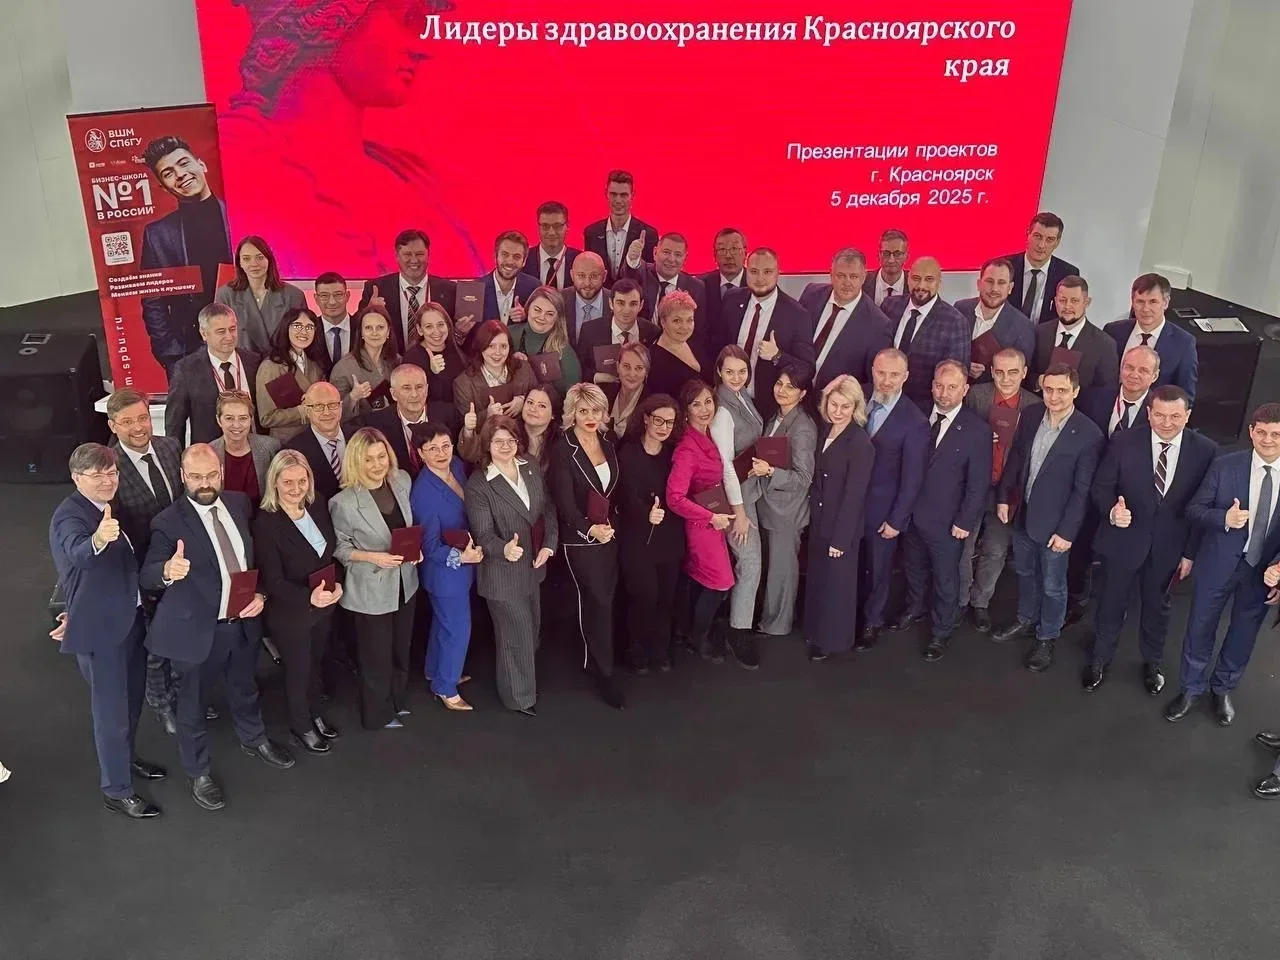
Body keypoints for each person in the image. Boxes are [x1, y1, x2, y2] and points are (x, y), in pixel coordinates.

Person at [217, 7, 483, 280]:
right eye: (408, 20)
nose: (422, 50)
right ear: (331, 19)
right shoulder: (238, 160)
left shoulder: (413, 178)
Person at [141, 444, 295, 813]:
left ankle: (254, 738)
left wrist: (260, 593)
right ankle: (198, 772)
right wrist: (167, 571)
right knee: (192, 706)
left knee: (245, 687)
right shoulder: (167, 522)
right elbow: (147, 574)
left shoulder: (239, 504)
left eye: (211, 475)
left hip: (242, 621)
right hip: (196, 631)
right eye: (196, 477)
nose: (204, 483)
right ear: (183, 476)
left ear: (221, 472)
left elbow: (254, 559)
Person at [50, 443, 166, 818]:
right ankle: (116, 790)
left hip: (129, 621)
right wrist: (99, 539)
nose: (107, 480)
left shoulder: (108, 507)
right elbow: (78, 553)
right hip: (102, 633)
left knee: (131, 702)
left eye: (112, 473)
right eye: (97, 475)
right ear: (76, 478)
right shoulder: (70, 516)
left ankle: (125, 759)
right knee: (111, 714)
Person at [1085, 386, 1217, 694]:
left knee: (1158, 609)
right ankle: (1099, 660)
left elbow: (1203, 506)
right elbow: (1101, 487)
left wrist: (1190, 553)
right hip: (1123, 541)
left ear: (1187, 415)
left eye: (1175, 416)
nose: (1166, 423)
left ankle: (1152, 663)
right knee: (1110, 604)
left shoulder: (1205, 450)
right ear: (1149, 413)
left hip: (1170, 548)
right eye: (1159, 415)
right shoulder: (1123, 442)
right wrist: (1112, 511)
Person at [1166, 404, 1280, 726]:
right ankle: (1191, 689)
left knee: (1244, 634)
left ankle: (1222, 688)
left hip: (1261, 572)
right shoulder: (1225, 466)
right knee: (1199, 627)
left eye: (1276, 434)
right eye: (1262, 432)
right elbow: (1195, 509)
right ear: (1251, 432)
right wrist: (1224, 519)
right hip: (1217, 564)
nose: (1268, 440)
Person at [992, 364, 1104, 673]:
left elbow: (1082, 491)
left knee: (1054, 586)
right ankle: (1026, 619)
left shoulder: (1089, 434)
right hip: (1024, 513)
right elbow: (1016, 459)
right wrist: (1003, 497)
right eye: (1049, 389)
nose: (1054, 396)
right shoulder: (1030, 416)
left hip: (1057, 525)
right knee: (1025, 572)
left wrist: (1067, 532)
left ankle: (1047, 636)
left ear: (1075, 392)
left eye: (1062, 390)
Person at [892, 361, 993, 661]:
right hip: (910, 515)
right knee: (913, 567)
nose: (944, 393)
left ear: (965, 389)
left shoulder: (977, 430)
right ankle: (915, 608)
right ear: (932, 384)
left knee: (946, 579)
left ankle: (941, 632)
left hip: (947, 521)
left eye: (952, 387)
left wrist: (965, 521)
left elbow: (978, 483)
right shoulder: (916, 413)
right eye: (939, 385)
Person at [464, 416, 559, 716]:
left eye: (511, 440)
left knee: (530, 631)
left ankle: (522, 682)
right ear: (487, 445)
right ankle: (518, 698)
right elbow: (483, 534)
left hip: (533, 566)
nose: (505, 446)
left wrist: (549, 544)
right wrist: (503, 548)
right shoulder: (479, 484)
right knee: (516, 636)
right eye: (498, 441)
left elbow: (547, 508)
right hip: (502, 575)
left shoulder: (529, 465)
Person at [252, 450, 343, 753]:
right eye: (288, 482)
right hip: (291, 611)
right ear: (274, 482)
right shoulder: (266, 523)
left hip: (323, 605)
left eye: (302, 481)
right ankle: (301, 725)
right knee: (299, 669)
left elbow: (330, 555)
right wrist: (308, 597)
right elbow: (273, 581)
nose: (296, 488)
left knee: (315, 663)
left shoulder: (318, 506)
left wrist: (338, 584)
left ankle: (315, 713)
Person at [328, 428, 419, 730]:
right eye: (368, 459)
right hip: (370, 589)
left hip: (405, 584)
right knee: (375, 658)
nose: (377, 464)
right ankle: (377, 715)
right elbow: (340, 549)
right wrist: (373, 557)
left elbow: (409, 528)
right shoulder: (343, 502)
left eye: (382, 456)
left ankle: (397, 700)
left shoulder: (401, 481)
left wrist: (416, 551)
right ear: (356, 461)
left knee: (401, 649)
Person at [104, 388, 183, 734]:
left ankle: (184, 690)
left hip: (182, 560)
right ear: (112, 425)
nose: (138, 427)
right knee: (156, 643)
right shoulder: (109, 469)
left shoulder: (170, 447)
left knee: (185, 629)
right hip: (143, 569)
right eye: (127, 422)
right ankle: (161, 702)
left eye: (142, 418)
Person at [549, 384, 625, 708]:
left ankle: (600, 661)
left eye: (596, 410)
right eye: (583, 411)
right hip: (580, 539)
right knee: (596, 601)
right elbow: (565, 503)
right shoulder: (562, 449)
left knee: (606, 599)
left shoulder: (609, 442)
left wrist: (610, 527)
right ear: (572, 414)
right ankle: (601, 672)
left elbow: (613, 492)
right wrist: (590, 529)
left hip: (610, 535)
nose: (590, 417)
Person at [138, 135, 233, 375]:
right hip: (190, 349)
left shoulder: (239, 215)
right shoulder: (157, 234)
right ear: (164, 186)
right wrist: (169, 353)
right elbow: (153, 300)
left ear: (201, 165)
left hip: (245, 340)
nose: (180, 174)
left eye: (183, 163)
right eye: (168, 173)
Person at [959, 348, 1038, 631]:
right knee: (963, 545)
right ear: (991, 371)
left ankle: (980, 603)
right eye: (1000, 372)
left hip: (1008, 490)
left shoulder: (1034, 406)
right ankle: (959, 600)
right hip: (972, 484)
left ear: (1024, 373)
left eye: (1013, 372)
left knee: (995, 549)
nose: (1006, 378)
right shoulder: (976, 396)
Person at [858, 348, 930, 651]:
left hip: (882, 512)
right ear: (872, 371)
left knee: (878, 570)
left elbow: (913, 479)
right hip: (847, 505)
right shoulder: (856, 396)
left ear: (906, 377)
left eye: (894, 375)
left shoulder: (915, 421)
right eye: (881, 373)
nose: (886, 380)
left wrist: (896, 520)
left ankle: (872, 622)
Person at [409, 422, 483, 711]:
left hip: (463, 566)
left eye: (445, 446)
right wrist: (461, 558)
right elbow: (428, 546)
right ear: (420, 453)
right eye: (432, 449)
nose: (441, 453)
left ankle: (435, 671)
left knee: (444, 624)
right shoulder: (423, 493)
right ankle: (446, 687)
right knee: (458, 629)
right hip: (444, 573)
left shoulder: (458, 467)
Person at [804, 376, 876, 660]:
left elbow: (854, 496)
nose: (838, 411)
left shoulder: (859, 442)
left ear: (855, 408)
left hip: (840, 528)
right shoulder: (825, 429)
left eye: (845, 406)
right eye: (834, 404)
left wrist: (841, 539)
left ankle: (832, 641)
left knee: (837, 588)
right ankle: (815, 632)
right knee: (820, 580)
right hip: (820, 520)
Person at [666, 381, 736, 661]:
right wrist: (710, 516)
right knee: (721, 582)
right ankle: (698, 638)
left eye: (708, 402)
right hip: (701, 525)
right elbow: (674, 498)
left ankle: (688, 633)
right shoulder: (687, 449)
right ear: (686, 410)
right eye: (696, 404)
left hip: (713, 520)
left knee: (700, 580)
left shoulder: (708, 434)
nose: (705, 409)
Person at [617, 395, 685, 672]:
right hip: (638, 539)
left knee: (666, 597)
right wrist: (645, 512)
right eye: (658, 420)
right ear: (645, 418)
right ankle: (637, 647)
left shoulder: (673, 453)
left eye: (669, 422)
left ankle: (660, 648)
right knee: (645, 595)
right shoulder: (628, 452)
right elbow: (624, 495)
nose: (664, 427)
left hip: (669, 536)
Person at [710, 346, 765, 668]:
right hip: (734, 499)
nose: (736, 377)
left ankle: (734, 620)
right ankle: (738, 631)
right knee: (750, 561)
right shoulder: (721, 411)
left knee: (746, 562)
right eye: (729, 371)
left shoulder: (742, 396)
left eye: (742, 371)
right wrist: (739, 513)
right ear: (719, 371)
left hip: (749, 491)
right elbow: (726, 467)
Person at [754, 364, 818, 637]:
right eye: (780, 383)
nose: (782, 390)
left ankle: (778, 626)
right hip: (768, 505)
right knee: (771, 569)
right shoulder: (777, 415)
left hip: (786, 513)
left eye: (791, 387)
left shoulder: (802, 428)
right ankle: (767, 619)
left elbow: (804, 477)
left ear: (802, 394)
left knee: (782, 573)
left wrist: (770, 471)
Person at [716, 248, 816, 421]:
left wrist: (777, 356)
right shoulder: (732, 299)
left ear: (778, 273)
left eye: (767, 272)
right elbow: (718, 346)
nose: (760, 278)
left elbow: (807, 369)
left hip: (767, 409)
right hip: (728, 400)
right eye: (754, 271)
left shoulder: (797, 315)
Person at [164, 303, 262, 445]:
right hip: (210, 453)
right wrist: (176, 456)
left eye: (232, 329)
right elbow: (174, 425)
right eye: (221, 331)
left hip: (255, 449)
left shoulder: (255, 362)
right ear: (204, 334)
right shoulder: (186, 370)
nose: (229, 336)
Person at [881, 256, 970, 411]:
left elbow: (955, 376)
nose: (921, 285)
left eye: (929, 279)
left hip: (922, 410)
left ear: (939, 282)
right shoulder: (890, 306)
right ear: (908, 279)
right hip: (883, 400)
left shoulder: (955, 322)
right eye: (916, 278)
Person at [799, 247, 893, 390]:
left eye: (853, 277)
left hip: (834, 401)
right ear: (831, 274)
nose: (847, 282)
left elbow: (872, 383)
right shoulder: (811, 294)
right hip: (793, 392)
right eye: (841, 275)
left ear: (863, 277)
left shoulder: (879, 325)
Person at [358, 229, 460, 353]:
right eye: (407, 254)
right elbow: (357, 331)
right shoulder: (376, 289)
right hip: (391, 362)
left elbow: (456, 339)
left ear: (428, 255)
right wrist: (369, 311)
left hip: (437, 362)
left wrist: (461, 331)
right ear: (397, 256)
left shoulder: (450, 290)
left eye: (419, 254)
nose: (414, 260)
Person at [1104, 273, 1198, 399]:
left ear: (1165, 303)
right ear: (1132, 302)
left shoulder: (1184, 343)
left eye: (1153, 302)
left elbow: (1185, 396)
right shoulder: (1113, 331)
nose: (1145, 309)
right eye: (1140, 301)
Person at [215, 235, 306, 356]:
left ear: (269, 260)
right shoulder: (225, 295)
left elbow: (303, 338)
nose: (254, 264)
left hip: (282, 363)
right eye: (246, 259)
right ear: (239, 263)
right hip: (243, 364)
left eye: (260, 257)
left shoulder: (294, 295)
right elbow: (219, 338)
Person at [953, 257, 1036, 384]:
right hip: (954, 389)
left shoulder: (1023, 327)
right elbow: (946, 351)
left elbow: (1020, 377)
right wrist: (964, 365)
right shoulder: (960, 309)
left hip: (992, 394)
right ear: (979, 284)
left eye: (1001, 283)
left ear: (1010, 288)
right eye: (989, 281)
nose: (994, 289)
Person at [1031, 276, 1119, 392]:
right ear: (1055, 301)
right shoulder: (1039, 333)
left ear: (1087, 302)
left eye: (1074, 301)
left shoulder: (1105, 345)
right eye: (1062, 300)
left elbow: (1106, 391)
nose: (1067, 306)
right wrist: (1038, 382)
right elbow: (1026, 373)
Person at [254, 306, 328, 441]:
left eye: (309, 327)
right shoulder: (271, 367)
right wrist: (302, 411)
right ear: (286, 328)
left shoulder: (315, 365)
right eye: (297, 326)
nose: (303, 331)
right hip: (286, 442)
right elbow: (266, 418)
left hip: (316, 439)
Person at [453, 320, 537, 438]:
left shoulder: (523, 369)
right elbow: (463, 427)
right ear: (481, 347)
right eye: (491, 346)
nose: (498, 352)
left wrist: (524, 401)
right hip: (485, 444)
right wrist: (487, 415)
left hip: (522, 439)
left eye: (503, 346)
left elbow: (540, 396)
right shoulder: (463, 383)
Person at [284, 381, 358, 503]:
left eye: (332, 405)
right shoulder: (294, 452)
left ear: (340, 407)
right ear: (307, 411)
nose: (327, 412)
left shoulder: (359, 437)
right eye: (318, 406)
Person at [1003, 212, 1080, 325]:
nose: (1041, 245)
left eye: (1049, 239)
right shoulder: (1004, 267)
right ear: (1028, 234)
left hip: (1045, 335)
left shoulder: (1068, 274)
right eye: (1037, 236)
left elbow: (1067, 317)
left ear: (1057, 243)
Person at [577, 278, 658, 384]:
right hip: (602, 390)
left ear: (641, 305)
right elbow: (580, 368)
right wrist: (597, 377)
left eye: (633, 304)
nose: (626, 310)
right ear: (611, 303)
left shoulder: (652, 332)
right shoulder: (590, 330)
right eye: (621, 303)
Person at [620, 231, 707, 327]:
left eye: (678, 255)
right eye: (666, 252)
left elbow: (698, 329)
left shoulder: (696, 287)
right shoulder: (642, 273)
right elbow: (630, 274)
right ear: (655, 253)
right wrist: (632, 259)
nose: (671, 259)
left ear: (685, 258)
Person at [402, 301, 466, 432]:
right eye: (429, 326)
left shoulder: (457, 353)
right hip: (427, 428)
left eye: (440, 324)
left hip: (457, 423)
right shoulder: (411, 358)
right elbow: (411, 397)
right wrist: (432, 373)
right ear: (420, 330)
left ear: (448, 326)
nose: (436, 331)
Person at [583, 170, 656, 283]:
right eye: (613, 194)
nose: (618, 200)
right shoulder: (591, 232)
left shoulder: (648, 234)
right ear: (606, 194)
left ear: (632, 195)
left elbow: (650, 277)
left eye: (623, 195)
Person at [509, 286, 582, 397]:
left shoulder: (564, 352)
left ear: (557, 318)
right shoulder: (507, 335)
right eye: (537, 310)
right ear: (528, 308)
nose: (541, 317)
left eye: (549, 314)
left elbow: (574, 398)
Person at [330, 305, 401, 419]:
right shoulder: (344, 367)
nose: (374, 333)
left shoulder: (397, 361)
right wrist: (353, 397)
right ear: (361, 333)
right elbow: (332, 413)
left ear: (388, 332)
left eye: (380, 327)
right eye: (368, 328)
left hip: (395, 424)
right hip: (361, 428)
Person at [210, 390, 280, 504]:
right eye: (229, 418)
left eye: (243, 418)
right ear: (219, 420)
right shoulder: (209, 452)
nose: (236, 425)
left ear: (251, 420)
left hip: (264, 512)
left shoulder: (271, 447)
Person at [364, 364, 430, 480]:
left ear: (427, 389)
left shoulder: (449, 416)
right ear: (393, 394)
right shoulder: (375, 425)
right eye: (407, 388)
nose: (414, 394)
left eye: (419, 387)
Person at [1080, 345, 1159, 437]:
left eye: (1143, 370)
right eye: (1129, 367)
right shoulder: (1094, 399)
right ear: (1121, 368)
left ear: (1155, 376)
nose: (1134, 375)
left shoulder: (1159, 410)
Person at [647, 290, 708, 399]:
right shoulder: (654, 360)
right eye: (677, 321)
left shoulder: (695, 341)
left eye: (689, 320)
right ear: (663, 322)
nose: (684, 327)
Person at [479, 230, 539, 325]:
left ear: (524, 261)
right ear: (495, 256)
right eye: (505, 254)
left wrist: (527, 316)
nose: (510, 262)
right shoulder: (477, 288)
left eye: (517, 257)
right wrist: (461, 330)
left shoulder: (534, 288)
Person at [523, 200, 580, 289]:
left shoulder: (579, 260)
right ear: (538, 227)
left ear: (567, 226)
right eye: (545, 226)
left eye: (557, 226)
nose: (551, 232)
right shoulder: (524, 259)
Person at [698, 227, 747, 327]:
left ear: (745, 253)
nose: (728, 255)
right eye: (722, 249)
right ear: (714, 255)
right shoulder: (700, 285)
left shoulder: (756, 285)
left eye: (734, 249)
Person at [600, 342, 650, 439]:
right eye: (626, 366)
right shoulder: (604, 393)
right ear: (618, 367)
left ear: (646, 372)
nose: (632, 374)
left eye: (639, 368)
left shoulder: (650, 404)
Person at [563, 252, 611, 343]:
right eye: (581, 276)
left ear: (604, 276)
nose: (587, 283)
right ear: (572, 275)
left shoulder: (616, 302)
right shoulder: (559, 300)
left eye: (594, 276)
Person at [314, 272, 354, 371]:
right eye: (324, 296)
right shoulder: (310, 330)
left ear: (347, 296)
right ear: (316, 299)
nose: (332, 302)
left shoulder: (362, 327)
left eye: (338, 295)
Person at [863, 229, 910, 306]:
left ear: (907, 256)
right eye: (886, 253)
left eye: (897, 254)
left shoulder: (916, 284)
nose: (891, 260)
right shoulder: (862, 281)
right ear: (878, 254)